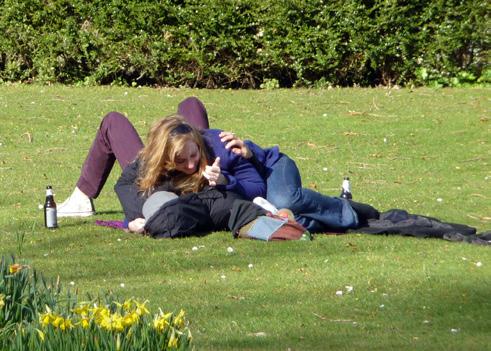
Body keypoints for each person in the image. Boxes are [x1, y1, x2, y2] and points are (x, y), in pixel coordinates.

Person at [57, 98, 266, 234]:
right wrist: (135, 219)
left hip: (187, 185)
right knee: (113, 121)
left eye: (193, 156)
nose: (191, 164)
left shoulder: (214, 150)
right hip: (157, 174)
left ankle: (184, 139)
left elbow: (253, 189)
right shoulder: (151, 164)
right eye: (181, 161)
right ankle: (81, 198)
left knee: (191, 103)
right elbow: (126, 185)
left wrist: (223, 179)